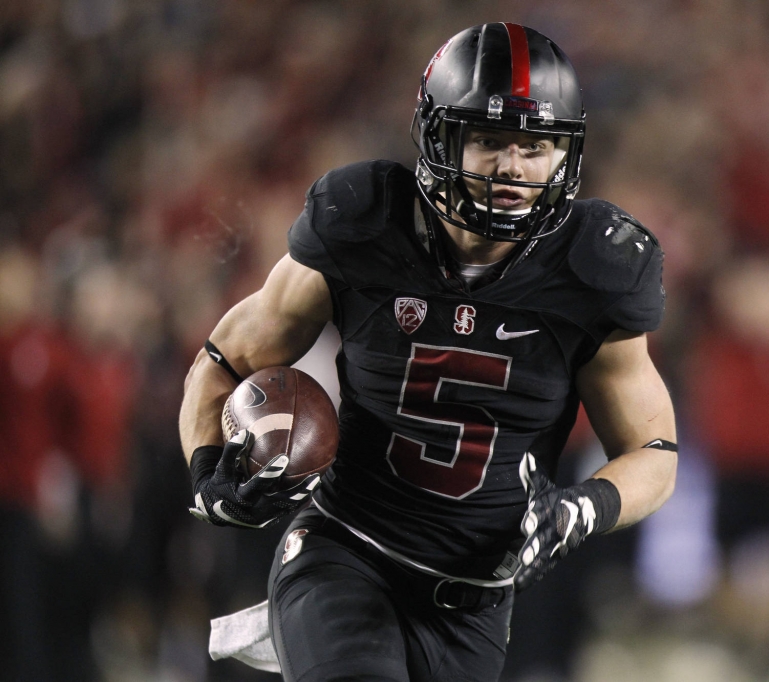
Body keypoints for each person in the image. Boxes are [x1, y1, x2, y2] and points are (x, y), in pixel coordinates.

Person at [179, 23, 677, 682]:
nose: (512, 168)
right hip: (345, 553)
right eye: (491, 140)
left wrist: (582, 509)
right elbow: (226, 356)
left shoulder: (594, 269)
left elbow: (654, 453)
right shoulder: (364, 223)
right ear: (441, 138)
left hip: (474, 601)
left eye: (536, 147)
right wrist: (209, 465)